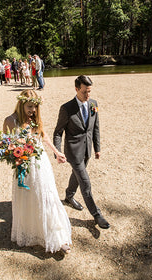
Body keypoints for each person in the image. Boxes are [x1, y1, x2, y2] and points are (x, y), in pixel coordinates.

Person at [3, 89, 72, 254]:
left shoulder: (34, 119)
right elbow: (4, 143)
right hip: (23, 165)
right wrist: (14, 152)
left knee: (47, 196)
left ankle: (57, 236)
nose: (32, 110)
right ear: (21, 104)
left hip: (41, 164)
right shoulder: (10, 120)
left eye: (35, 107)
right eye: (29, 106)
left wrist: (56, 151)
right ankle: (32, 231)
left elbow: (43, 135)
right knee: (29, 198)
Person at [53, 75, 110, 229]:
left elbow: (95, 128)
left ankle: (69, 196)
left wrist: (97, 148)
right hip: (73, 152)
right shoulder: (66, 108)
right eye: (85, 92)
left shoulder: (93, 104)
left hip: (87, 151)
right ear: (77, 89)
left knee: (77, 176)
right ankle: (97, 215)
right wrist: (58, 152)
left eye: (89, 91)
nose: (88, 95)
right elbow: (58, 132)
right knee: (85, 183)